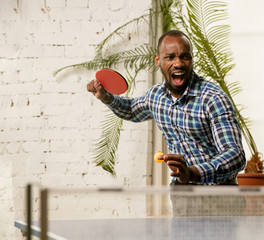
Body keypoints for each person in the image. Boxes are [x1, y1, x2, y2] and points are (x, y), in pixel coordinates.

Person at [87, 30, 246, 186]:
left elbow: (235, 155)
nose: (178, 63)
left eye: (185, 57)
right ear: (158, 60)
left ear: (191, 59)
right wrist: (106, 97)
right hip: (182, 189)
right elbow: (131, 109)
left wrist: (193, 173)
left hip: (220, 191)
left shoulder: (213, 99)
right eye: (170, 57)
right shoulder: (156, 96)